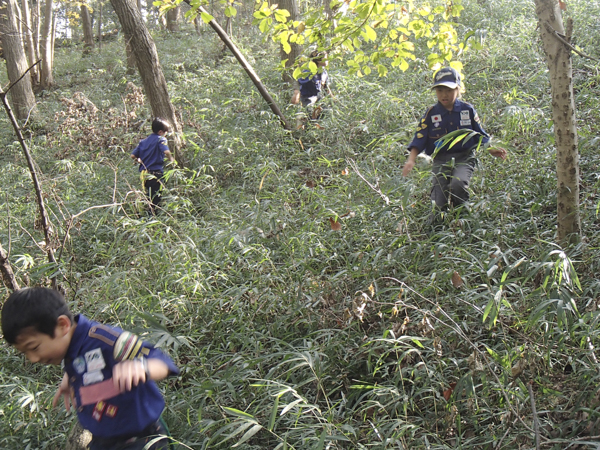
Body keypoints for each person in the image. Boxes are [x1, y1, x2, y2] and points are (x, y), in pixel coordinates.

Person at [1, 287, 180, 450]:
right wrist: (69, 379)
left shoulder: (108, 341)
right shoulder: (70, 348)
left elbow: (163, 362)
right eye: (25, 353)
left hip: (141, 439)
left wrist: (142, 367)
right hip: (102, 440)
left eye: (34, 348)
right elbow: (86, 365)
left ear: (62, 325)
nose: (32, 359)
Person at [402, 67, 507, 227]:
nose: (444, 94)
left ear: (458, 89)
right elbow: (420, 137)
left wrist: (492, 149)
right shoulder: (431, 113)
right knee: (438, 198)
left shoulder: (467, 110)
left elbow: (479, 134)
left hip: (464, 158)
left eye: (449, 90)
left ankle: (463, 222)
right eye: (440, 90)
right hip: (440, 160)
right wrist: (411, 160)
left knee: (458, 184)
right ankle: (436, 230)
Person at [131, 117, 175, 215]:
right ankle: (152, 218)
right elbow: (166, 151)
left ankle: (144, 215)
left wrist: (139, 160)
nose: (166, 134)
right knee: (156, 198)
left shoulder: (143, 141)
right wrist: (171, 159)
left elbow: (133, 155)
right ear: (160, 132)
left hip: (144, 174)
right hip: (156, 173)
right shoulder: (161, 139)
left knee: (148, 195)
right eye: (166, 132)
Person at [290, 50, 332, 121]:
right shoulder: (308, 70)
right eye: (325, 58)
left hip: (319, 98)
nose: (327, 60)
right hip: (308, 98)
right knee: (309, 115)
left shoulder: (324, 72)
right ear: (318, 60)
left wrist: (332, 98)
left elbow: (326, 87)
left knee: (326, 112)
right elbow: (298, 80)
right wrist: (296, 93)